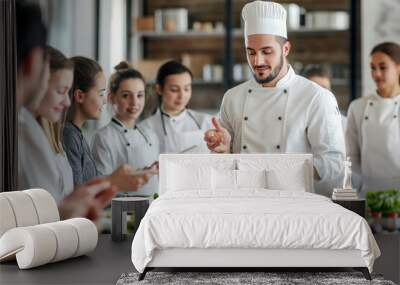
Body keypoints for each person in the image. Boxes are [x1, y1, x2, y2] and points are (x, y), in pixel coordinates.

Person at [204, 1, 345, 196]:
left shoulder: (316, 98)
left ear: (286, 49)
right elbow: (224, 167)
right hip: (243, 203)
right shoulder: (232, 98)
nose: (257, 61)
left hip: (294, 208)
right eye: (250, 52)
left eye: (266, 52)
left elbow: (333, 164)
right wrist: (224, 151)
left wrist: (280, 169)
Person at [16, 2, 115, 222]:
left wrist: (71, 204)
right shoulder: (25, 131)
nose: (66, 101)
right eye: (61, 91)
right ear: (34, 62)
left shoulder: (31, 129)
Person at [63, 56, 154, 190]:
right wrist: (115, 181)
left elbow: (93, 179)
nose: (104, 101)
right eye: (101, 94)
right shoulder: (70, 135)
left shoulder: (77, 135)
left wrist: (137, 173)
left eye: (140, 95)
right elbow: (77, 192)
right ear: (80, 96)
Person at [92, 62, 159, 196]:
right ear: (112, 98)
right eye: (126, 96)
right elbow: (103, 185)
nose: (134, 103)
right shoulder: (103, 137)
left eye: (140, 95)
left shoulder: (150, 135)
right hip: (122, 209)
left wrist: (147, 171)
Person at [346, 42, 400, 194]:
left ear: (398, 67)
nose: (376, 74)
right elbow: (351, 156)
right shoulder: (357, 107)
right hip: (368, 194)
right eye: (373, 68)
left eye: (383, 67)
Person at [140, 60, 213, 154]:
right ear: (159, 89)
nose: (182, 96)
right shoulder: (145, 128)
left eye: (186, 89)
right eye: (174, 90)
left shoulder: (206, 122)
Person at [303, 64, 347, 132]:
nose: (320, 95)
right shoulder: (296, 124)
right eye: (315, 89)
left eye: (324, 89)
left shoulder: (345, 125)